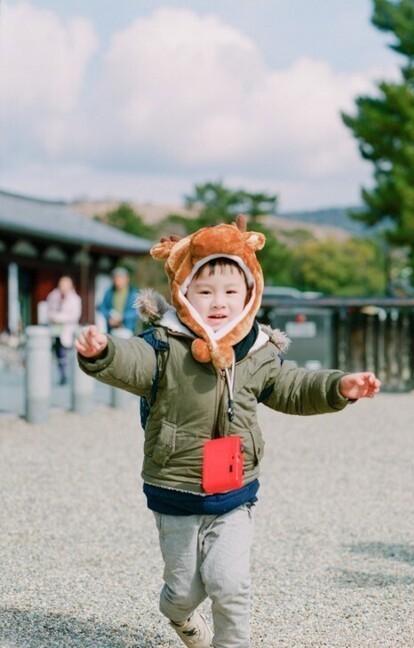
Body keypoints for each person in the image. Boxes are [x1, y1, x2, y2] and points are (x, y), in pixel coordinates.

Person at [75, 217, 380, 648]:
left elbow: (293, 387)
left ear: (250, 295)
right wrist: (103, 351)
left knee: (229, 582)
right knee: (181, 593)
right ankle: (179, 617)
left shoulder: (257, 352)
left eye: (230, 292)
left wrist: (338, 386)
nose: (218, 302)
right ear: (184, 293)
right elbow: (132, 361)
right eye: (205, 291)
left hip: (234, 490)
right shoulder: (165, 344)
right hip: (175, 488)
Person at [45, 275, 82, 385]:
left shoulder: (75, 299)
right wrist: (53, 317)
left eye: (65, 285)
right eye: (61, 285)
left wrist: (59, 317)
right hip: (54, 330)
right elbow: (48, 310)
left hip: (67, 330)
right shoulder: (53, 296)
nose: (63, 287)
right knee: (58, 353)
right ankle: (62, 374)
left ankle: (68, 374)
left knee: (66, 353)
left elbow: (75, 316)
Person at [97, 266, 139, 334]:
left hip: (128, 328)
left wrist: (122, 317)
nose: (117, 281)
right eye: (116, 278)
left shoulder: (133, 293)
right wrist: (109, 317)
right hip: (111, 327)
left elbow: (136, 312)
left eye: (120, 278)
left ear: (126, 279)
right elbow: (102, 307)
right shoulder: (109, 292)